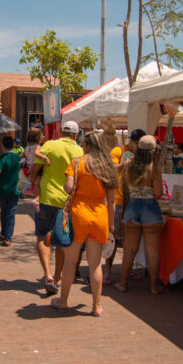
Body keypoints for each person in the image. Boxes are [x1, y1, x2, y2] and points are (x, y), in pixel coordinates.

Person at [52, 131, 118, 316]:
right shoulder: (108, 167)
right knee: (95, 264)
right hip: (99, 216)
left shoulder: (77, 163)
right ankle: (96, 306)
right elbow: (111, 201)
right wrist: (111, 224)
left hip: (78, 215)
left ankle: (63, 301)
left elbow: (68, 188)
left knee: (70, 262)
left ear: (87, 145)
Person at [33, 120, 84, 295]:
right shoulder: (80, 151)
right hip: (68, 201)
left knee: (43, 236)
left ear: (61, 132)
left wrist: (33, 181)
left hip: (47, 197)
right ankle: (57, 277)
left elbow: (36, 167)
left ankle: (47, 275)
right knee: (61, 240)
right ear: (76, 135)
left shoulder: (50, 145)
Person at [115, 134, 166, 295]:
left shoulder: (129, 163)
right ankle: (154, 286)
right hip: (150, 209)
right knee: (153, 251)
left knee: (129, 249)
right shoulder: (154, 167)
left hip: (132, 208)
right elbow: (158, 193)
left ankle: (123, 283)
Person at [105, 129, 143, 284]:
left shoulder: (140, 154)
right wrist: (124, 164)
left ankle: (128, 270)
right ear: (132, 141)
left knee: (129, 239)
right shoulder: (117, 151)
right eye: (138, 144)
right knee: (112, 237)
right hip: (118, 200)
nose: (139, 147)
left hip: (133, 200)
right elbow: (110, 169)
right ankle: (107, 272)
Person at [0, 134, 22, 246]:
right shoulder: (18, 158)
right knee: (11, 212)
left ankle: (4, 233)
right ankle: (7, 237)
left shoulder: (1, 158)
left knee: (3, 211)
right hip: (15, 189)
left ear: (2, 145)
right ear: (13, 145)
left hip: (2, 189)